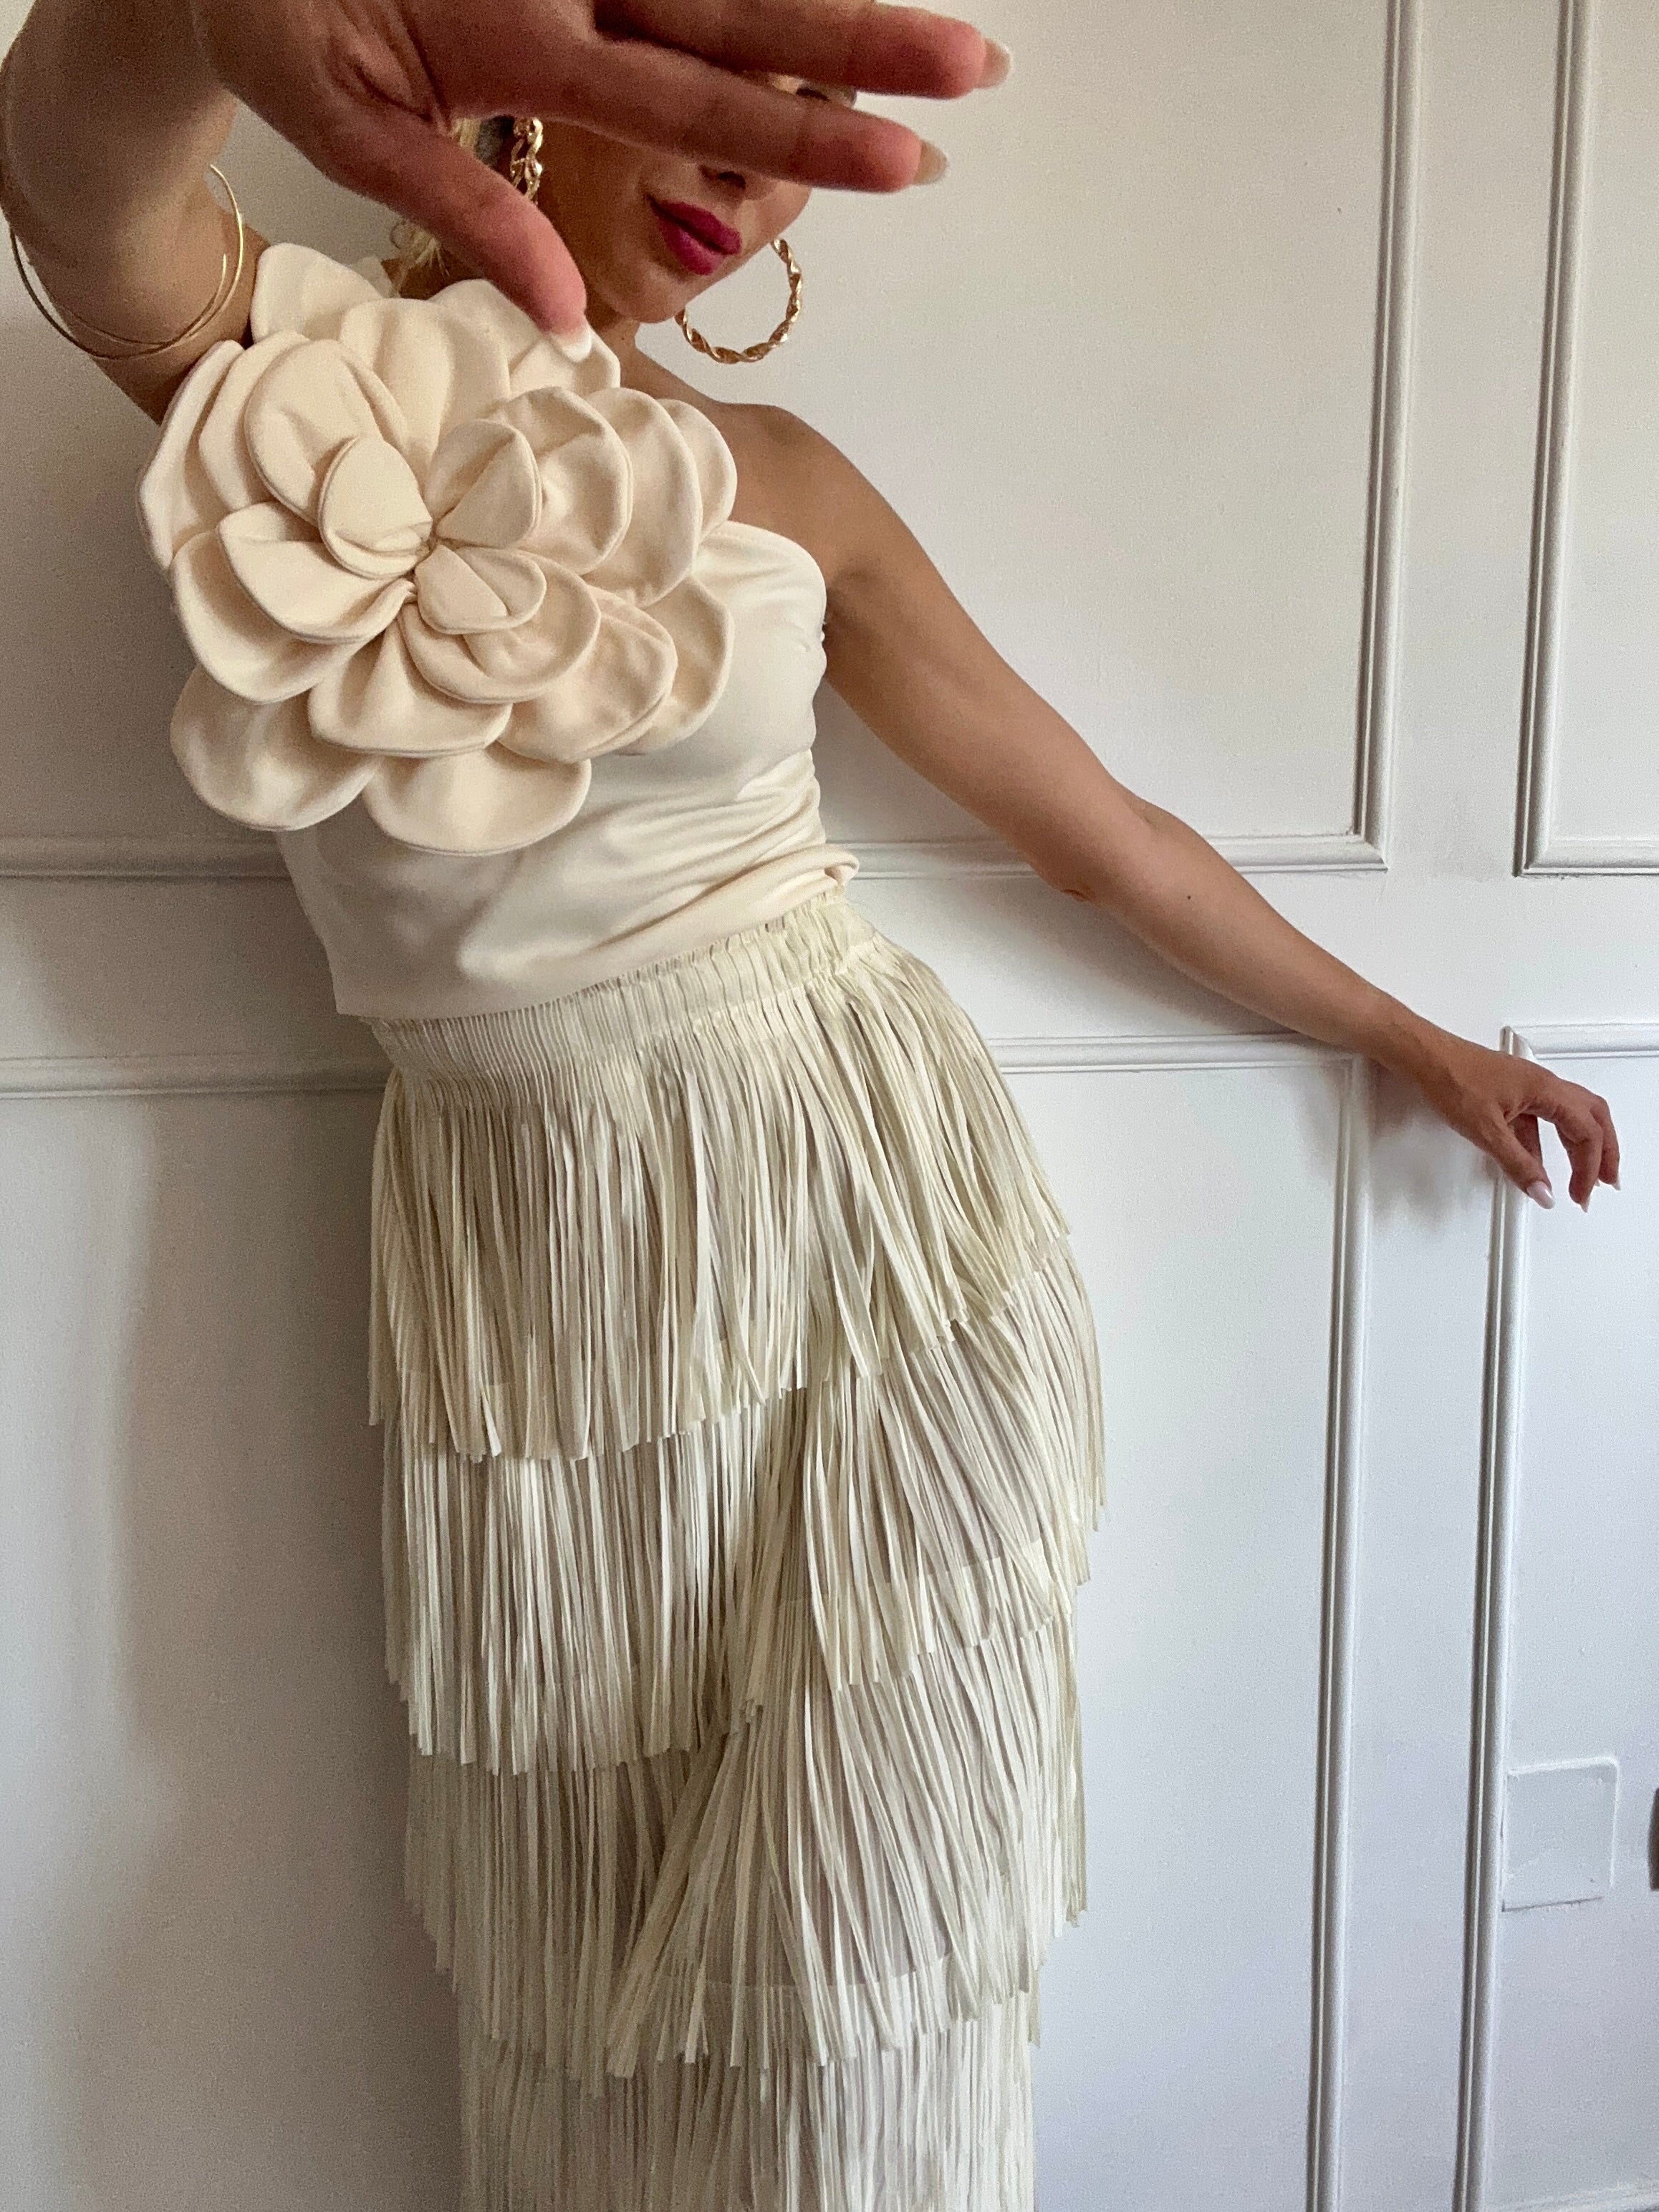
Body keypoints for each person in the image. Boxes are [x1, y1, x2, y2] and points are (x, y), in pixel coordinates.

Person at [0, 5, 1621, 2208]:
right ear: (535, 68)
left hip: (869, 1222)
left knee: (867, 1978)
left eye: (806, 131)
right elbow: (67, 178)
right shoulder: (285, 380)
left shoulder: (788, 484)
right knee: (589, 1966)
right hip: (539, 1283)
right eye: (717, 84)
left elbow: (1106, 840)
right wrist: (209, 4)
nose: (750, 169)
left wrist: (1419, 1041)